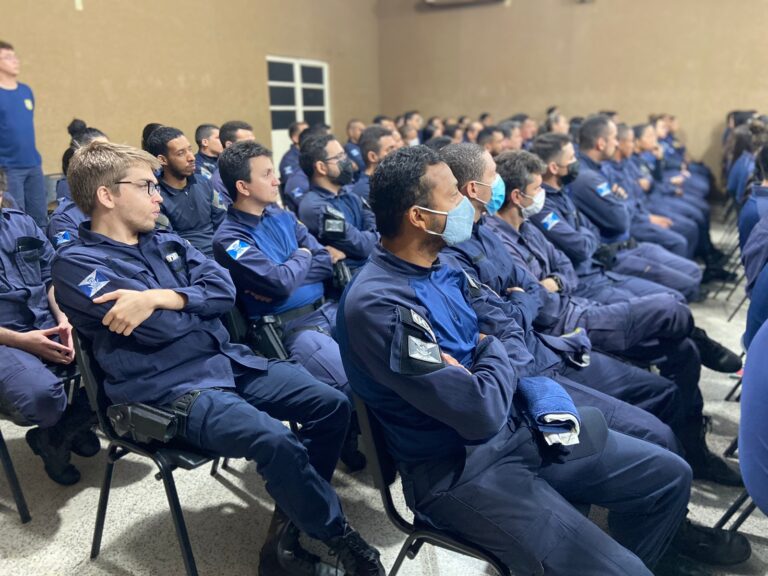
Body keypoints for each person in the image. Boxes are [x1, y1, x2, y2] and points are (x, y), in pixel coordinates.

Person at [338, 145, 702, 576]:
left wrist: (484, 350)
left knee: (669, 476)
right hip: (459, 469)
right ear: (418, 216)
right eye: (454, 196)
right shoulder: (378, 304)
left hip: (520, 423)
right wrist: (491, 347)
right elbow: (477, 413)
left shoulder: (444, 268)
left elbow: (509, 326)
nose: (467, 205)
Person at [51, 140, 385, 576]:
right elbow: (158, 330)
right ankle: (334, 535)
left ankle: (290, 528)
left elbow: (224, 291)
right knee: (276, 440)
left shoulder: (165, 241)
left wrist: (161, 296)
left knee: (330, 404)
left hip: (224, 360)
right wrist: (187, 306)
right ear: (107, 195)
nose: (158, 196)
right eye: (147, 187)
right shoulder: (77, 265)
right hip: (165, 391)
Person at [212, 140, 366, 471]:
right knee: (349, 383)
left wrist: (291, 267)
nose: (277, 179)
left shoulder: (282, 216)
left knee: (383, 358)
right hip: (290, 328)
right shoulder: (230, 239)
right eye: (267, 174)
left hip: (328, 308)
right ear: (243, 186)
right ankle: (339, 444)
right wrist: (301, 257)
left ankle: (369, 435)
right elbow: (279, 284)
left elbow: (322, 261)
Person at [0, 166, 98, 485]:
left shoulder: (21, 223)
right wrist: (23, 341)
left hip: (49, 320)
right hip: (6, 339)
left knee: (129, 359)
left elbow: (49, 278)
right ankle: (57, 423)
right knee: (43, 397)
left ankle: (63, 431)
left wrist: (64, 318)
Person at [297, 134, 378, 269]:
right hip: (348, 281)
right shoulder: (315, 207)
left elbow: (378, 227)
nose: (348, 162)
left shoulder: (350, 195)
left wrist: (375, 237)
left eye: (344, 155)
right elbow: (362, 246)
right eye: (339, 157)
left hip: (370, 270)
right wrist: (376, 238)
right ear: (321, 167)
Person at [146, 126, 225, 257]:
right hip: (191, 261)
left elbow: (223, 222)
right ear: (162, 160)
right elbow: (169, 242)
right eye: (181, 153)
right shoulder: (155, 196)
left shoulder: (204, 182)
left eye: (190, 149)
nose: (191, 157)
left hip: (220, 252)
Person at [0, 40, 46, 227]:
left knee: (40, 217)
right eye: (8, 57)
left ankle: (45, 255)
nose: (15, 61)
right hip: (8, 168)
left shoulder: (26, 91)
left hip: (33, 164)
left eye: (15, 56)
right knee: (16, 220)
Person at [47, 120, 108, 249]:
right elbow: (71, 255)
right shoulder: (63, 219)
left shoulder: (118, 199)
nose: (109, 158)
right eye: (100, 152)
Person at [349, 126, 397, 202]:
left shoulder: (389, 181)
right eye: (390, 149)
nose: (397, 153)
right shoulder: (366, 190)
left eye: (396, 148)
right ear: (372, 157)